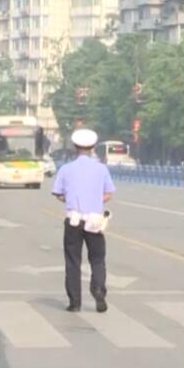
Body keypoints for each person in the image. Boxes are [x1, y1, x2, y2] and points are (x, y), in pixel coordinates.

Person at [52, 128, 115, 313]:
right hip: (94, 220)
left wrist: (70, 200)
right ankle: (98, 289)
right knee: (97, 259)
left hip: (74, 220)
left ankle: (75, 302)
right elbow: (108, 193)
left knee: (73, 261)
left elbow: (58, 194)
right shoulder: (101, 169)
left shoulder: (66, 169)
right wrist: (95, 200)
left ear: (75, 146)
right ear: (93, 147)